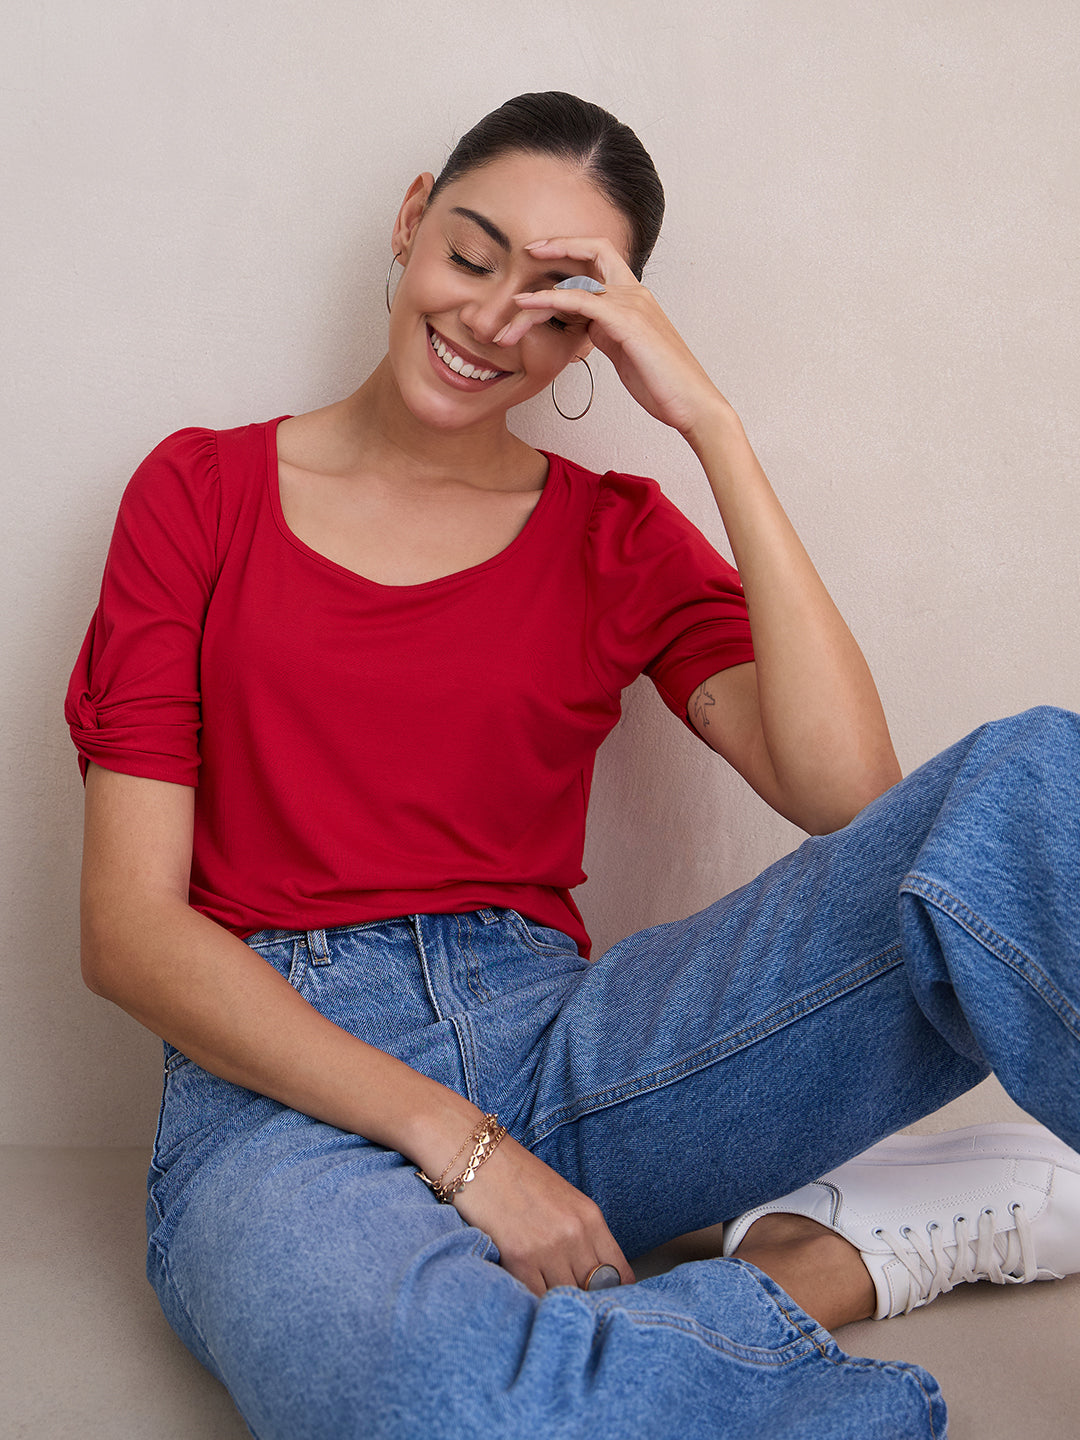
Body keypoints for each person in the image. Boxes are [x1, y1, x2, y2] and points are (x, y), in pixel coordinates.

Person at [66, 91, 1080, 1438]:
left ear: (611, 327)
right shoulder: (200, 493)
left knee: (1036, 789)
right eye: (472, 255)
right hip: (278, 1093)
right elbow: (131, 932)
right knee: (430, 1397)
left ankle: (598, 1337)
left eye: (557, 299)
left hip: (572, 1056)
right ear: (413, 216)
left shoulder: (615, 535)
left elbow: (850, 796)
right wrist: (460, 1147)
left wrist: (710, 426)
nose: (492, 319)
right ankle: (827, 1264)